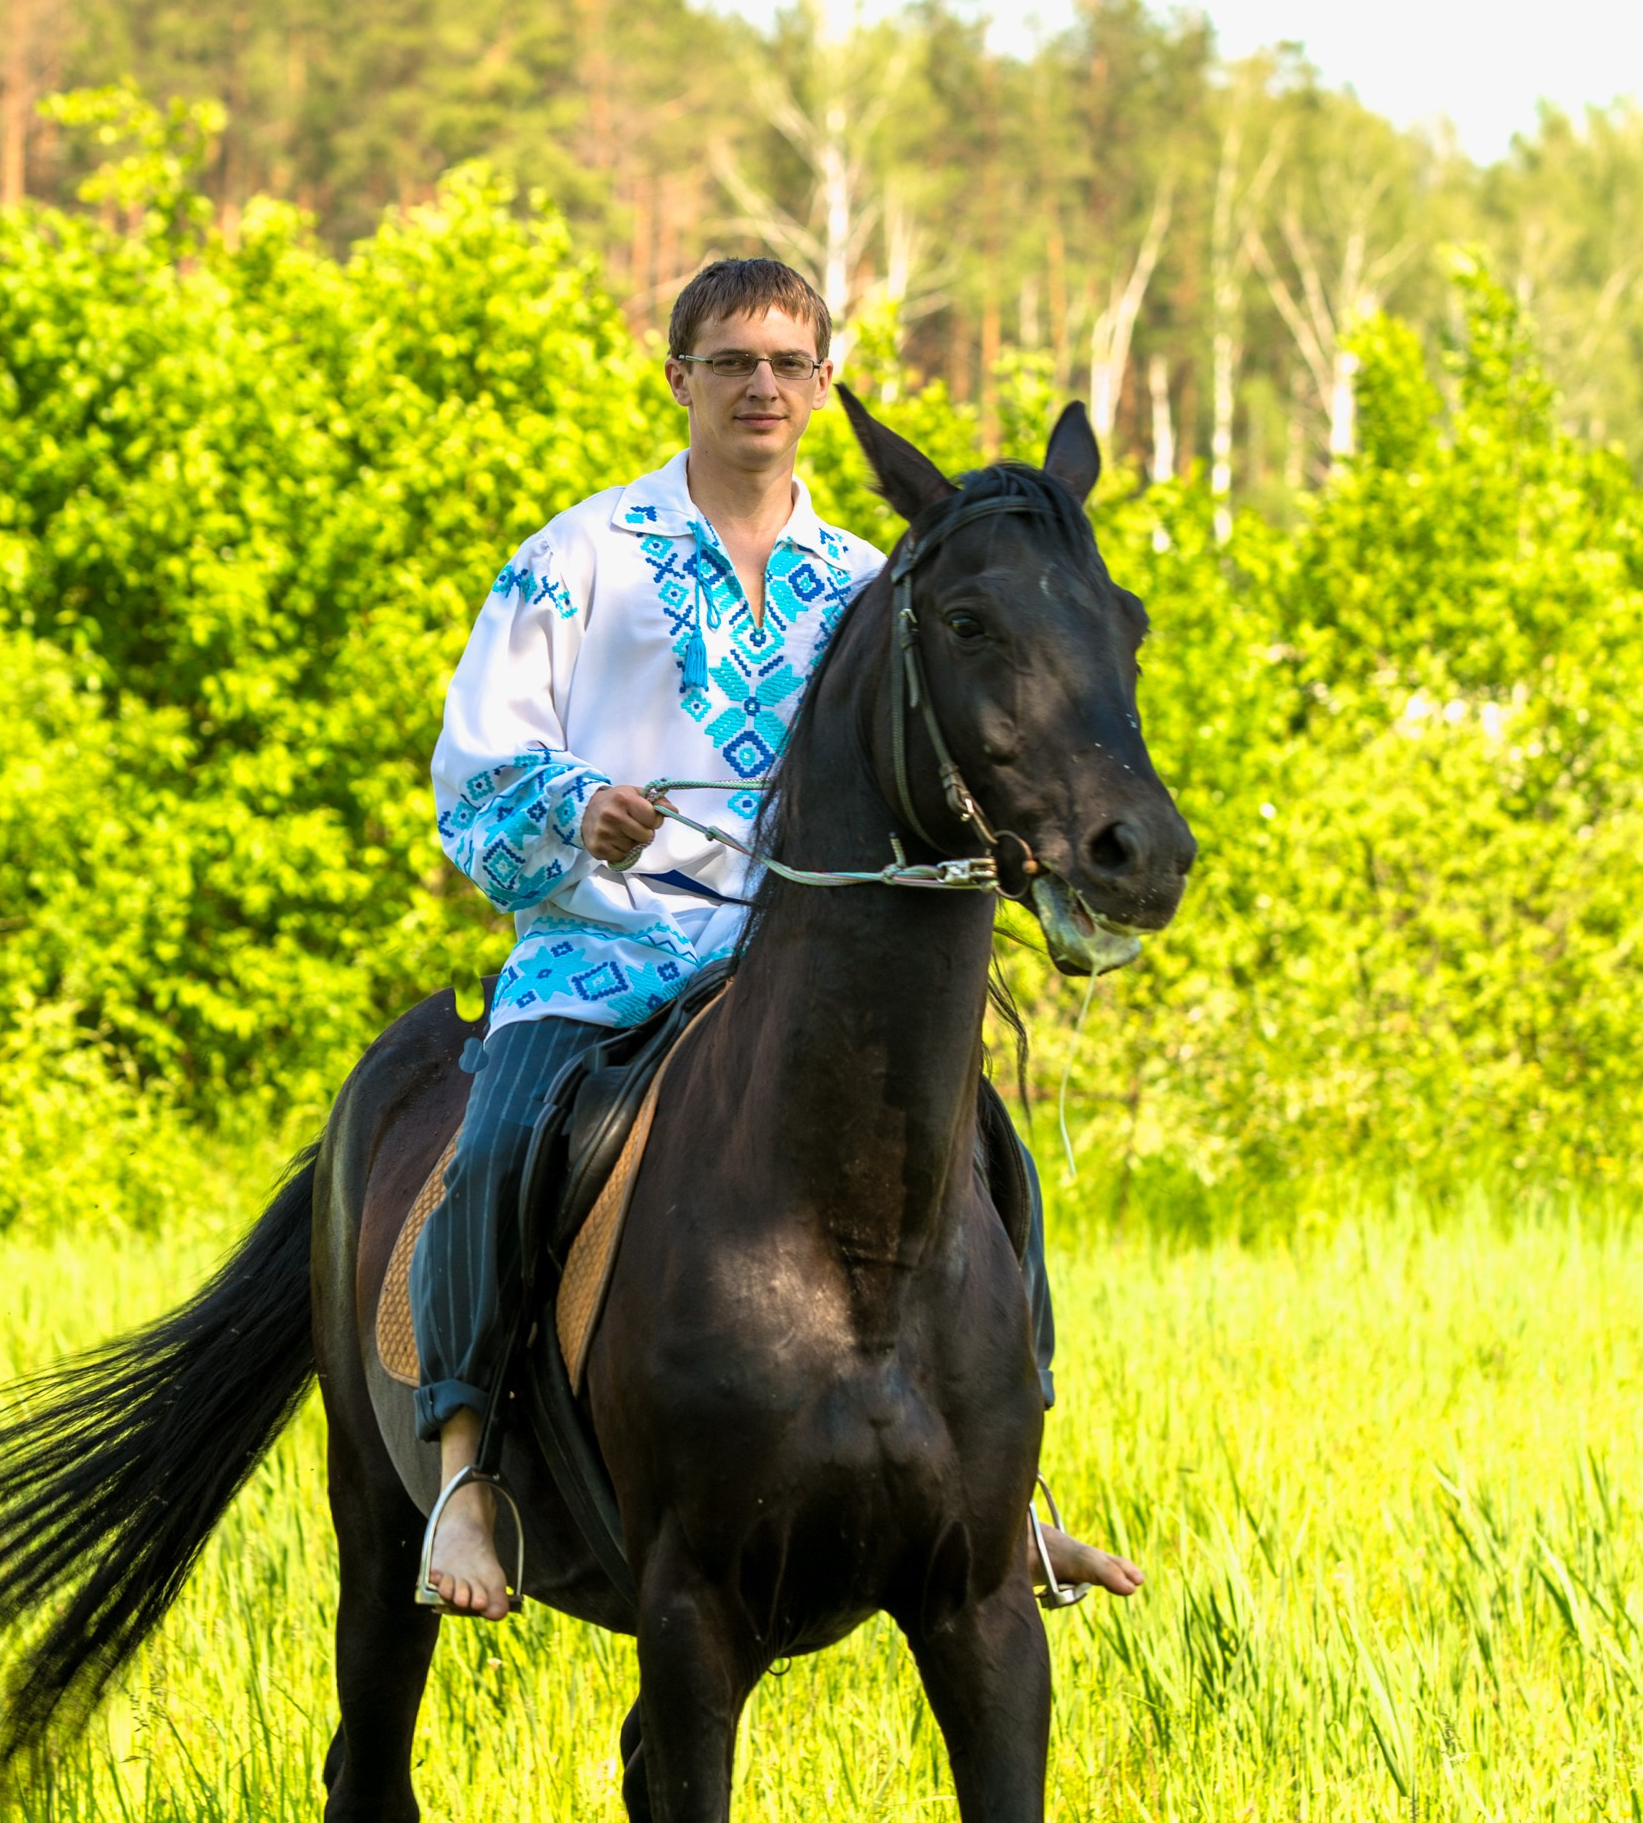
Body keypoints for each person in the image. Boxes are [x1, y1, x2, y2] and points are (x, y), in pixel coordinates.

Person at [411, 255, 1145, 1621]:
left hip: (802, 973)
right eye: (731, 361)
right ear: (680, 377)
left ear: (821, 386)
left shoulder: (877, 584)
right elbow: (476, 770)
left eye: (788, 363)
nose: (761, 384)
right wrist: (576, 812)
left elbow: (949, 759)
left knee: (990, 1156)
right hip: (608, 948)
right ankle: (467, 1472)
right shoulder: (576, 562)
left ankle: (1005, 1493)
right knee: (506, 1137)